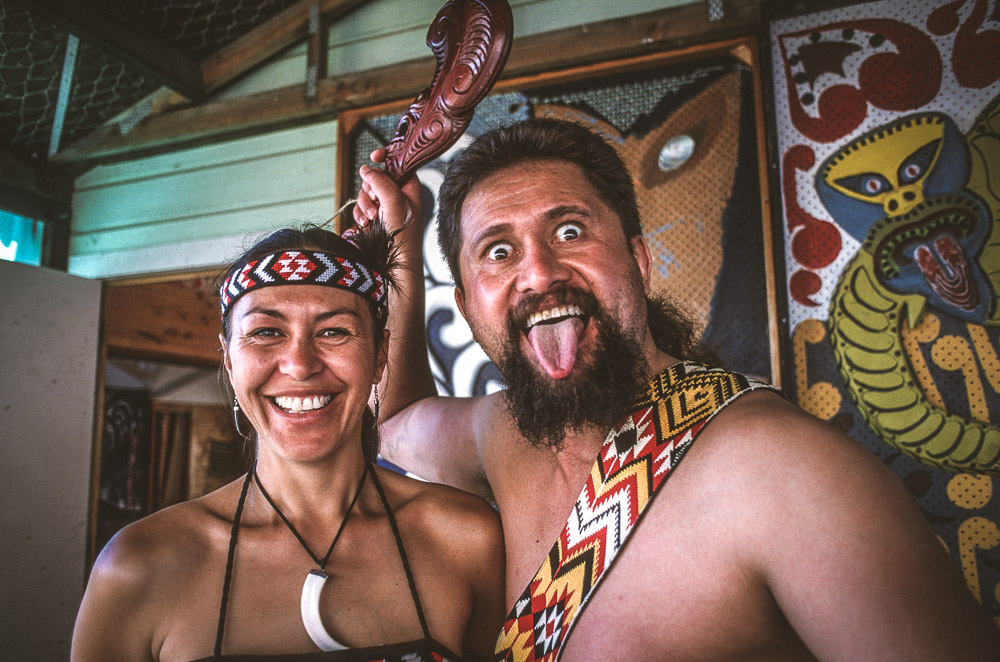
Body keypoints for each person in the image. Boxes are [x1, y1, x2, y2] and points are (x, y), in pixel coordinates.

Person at [353, 118, 1000, 661]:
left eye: (570, 231)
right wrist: (401, 242)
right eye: (498, 250)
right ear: (467, 308)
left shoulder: (783, 471)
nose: (540, 272)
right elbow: (396, 424)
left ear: (639, 259)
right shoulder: (498, 432)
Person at [71, 224, 504, 661]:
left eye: (334, 331)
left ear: (378, 356)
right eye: (266, 332)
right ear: (228, 358)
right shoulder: (138, 567)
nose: (299, 365)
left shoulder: (465, 539)